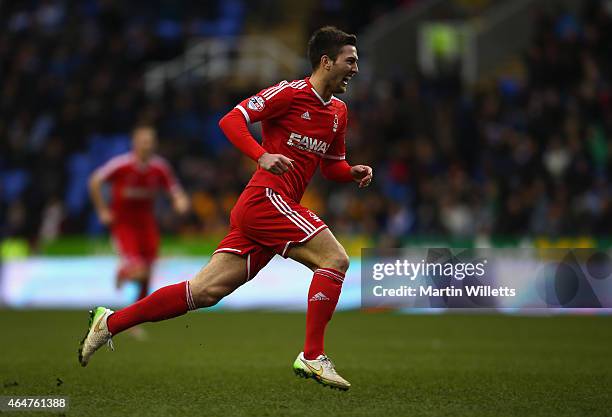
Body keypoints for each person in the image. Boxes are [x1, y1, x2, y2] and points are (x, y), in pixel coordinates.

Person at [79, 26, 372, 391]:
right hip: (267, 199)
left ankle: (109, 323)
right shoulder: (290, 93)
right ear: (326, 62)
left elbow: (331, 165)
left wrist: (351, 172)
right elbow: (230, 120)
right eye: (351, 60)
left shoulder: (338, 113)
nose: (356, 68)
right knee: (335, 260)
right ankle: (312, 356)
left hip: (272, 210)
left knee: (202, 292)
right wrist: (261, 155)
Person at [89, 124, 189, 301]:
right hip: (124, 225)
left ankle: (137, 316)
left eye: (150, 142)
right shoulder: (121, 165)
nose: (147, 145)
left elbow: (174, 189)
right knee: (139, 271)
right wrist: (103, 210)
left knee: (148, 274)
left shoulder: (159, 167)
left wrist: (180, 201)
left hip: (147, 224)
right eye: (144, 141)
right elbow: (95, 181)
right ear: (134, 143)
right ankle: (123, 271)